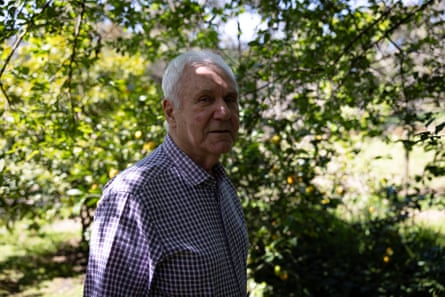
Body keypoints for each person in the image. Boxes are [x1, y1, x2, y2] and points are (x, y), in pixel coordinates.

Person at [83, 50, 249, 296]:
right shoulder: (132, 197)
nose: (223, 112)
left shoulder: (221, 183)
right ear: (170, 112)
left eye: (230, 99)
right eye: (205, 99)